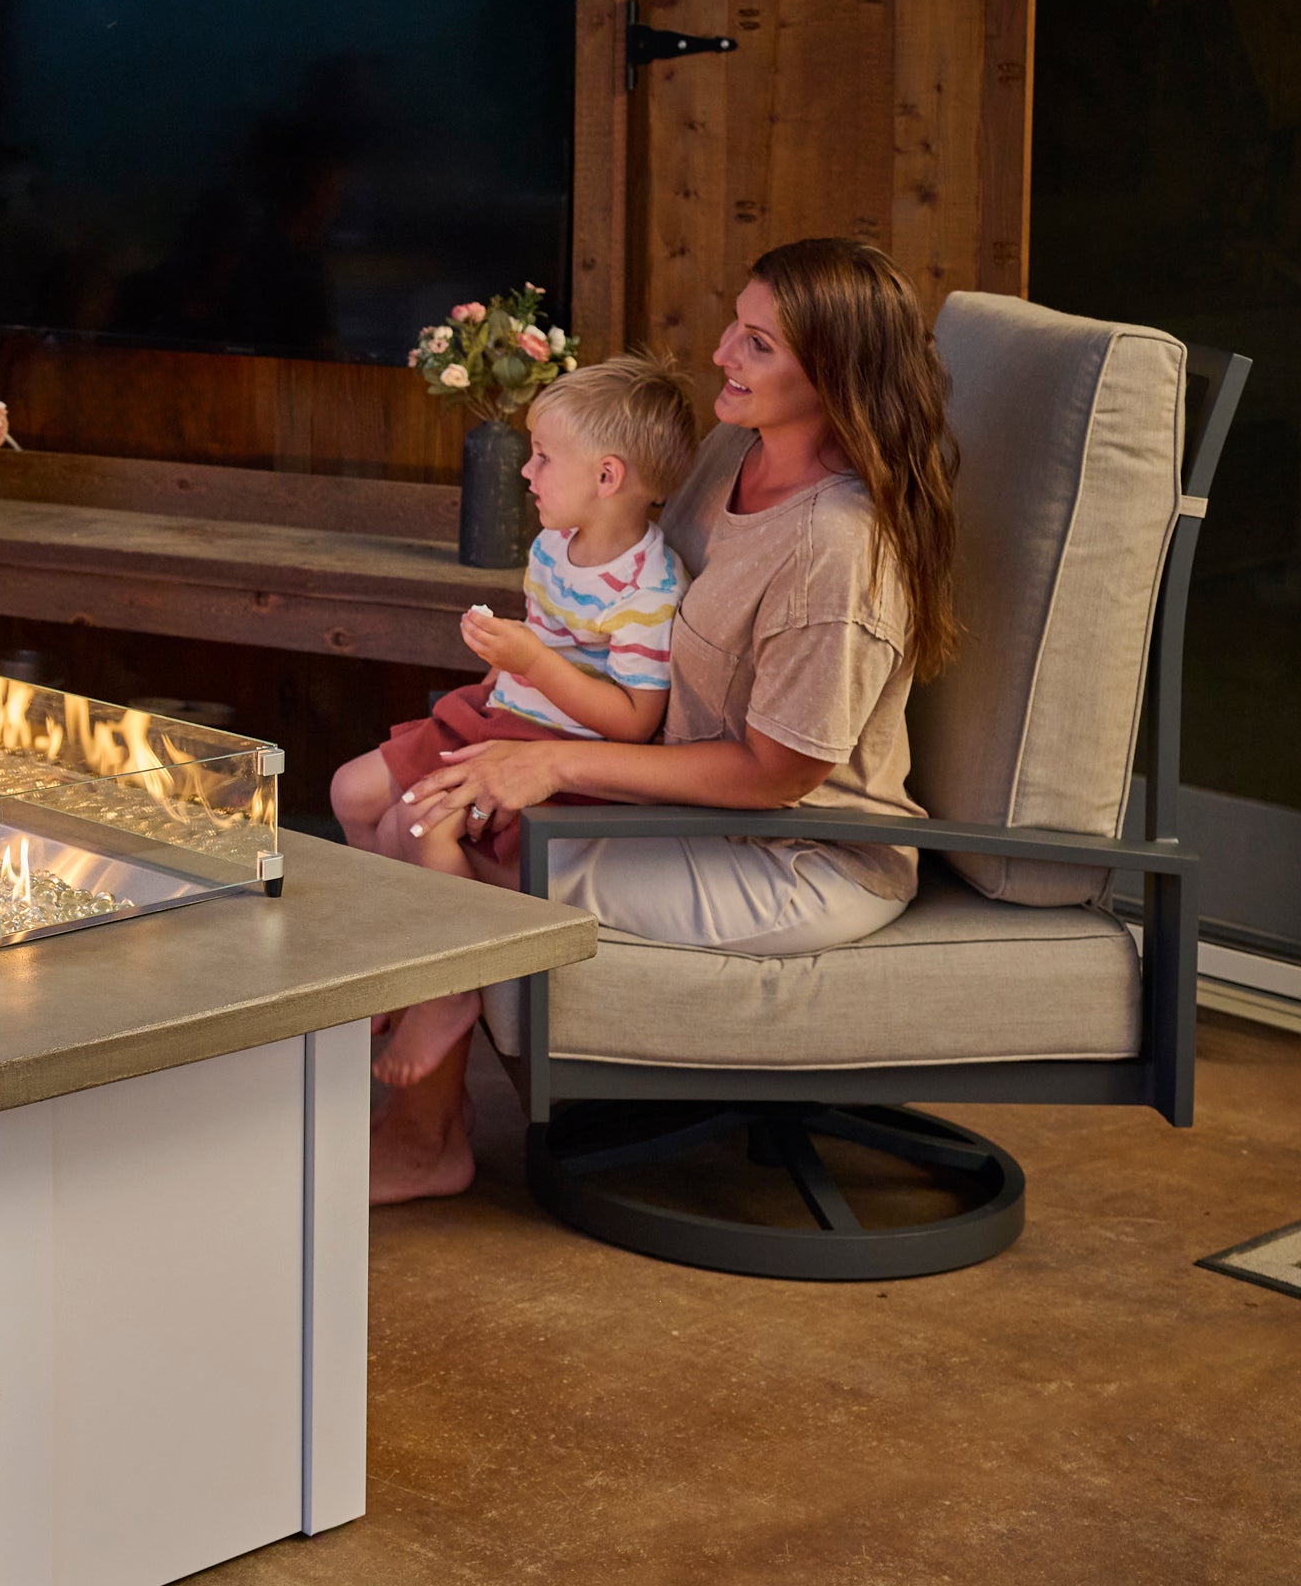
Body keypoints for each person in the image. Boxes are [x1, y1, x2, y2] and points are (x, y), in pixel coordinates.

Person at [381, 239, 962, 1204]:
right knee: (404, 802)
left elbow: (780, 776)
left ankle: (424, 1134)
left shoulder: (833, 546)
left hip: (796, 854)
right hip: (683, 801)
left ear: (832, 375)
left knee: (454, 840)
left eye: (760, 345)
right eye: (737, 325)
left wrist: (555, 767)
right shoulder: (734, 456)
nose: (725, 353)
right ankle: (441, 1124)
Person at [330, 353, 702, 1093]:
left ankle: (449, 988)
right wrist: (502, 664)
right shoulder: (550, 548)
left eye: (541, 458)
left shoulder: (649, 591)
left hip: (563, 750)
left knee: (412, 823)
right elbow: (533, 647)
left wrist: (531, 659)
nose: (526, 473)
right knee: (350, 791)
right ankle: (395, 959)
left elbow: (633, 722)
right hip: (501, 715)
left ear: (607, 477)